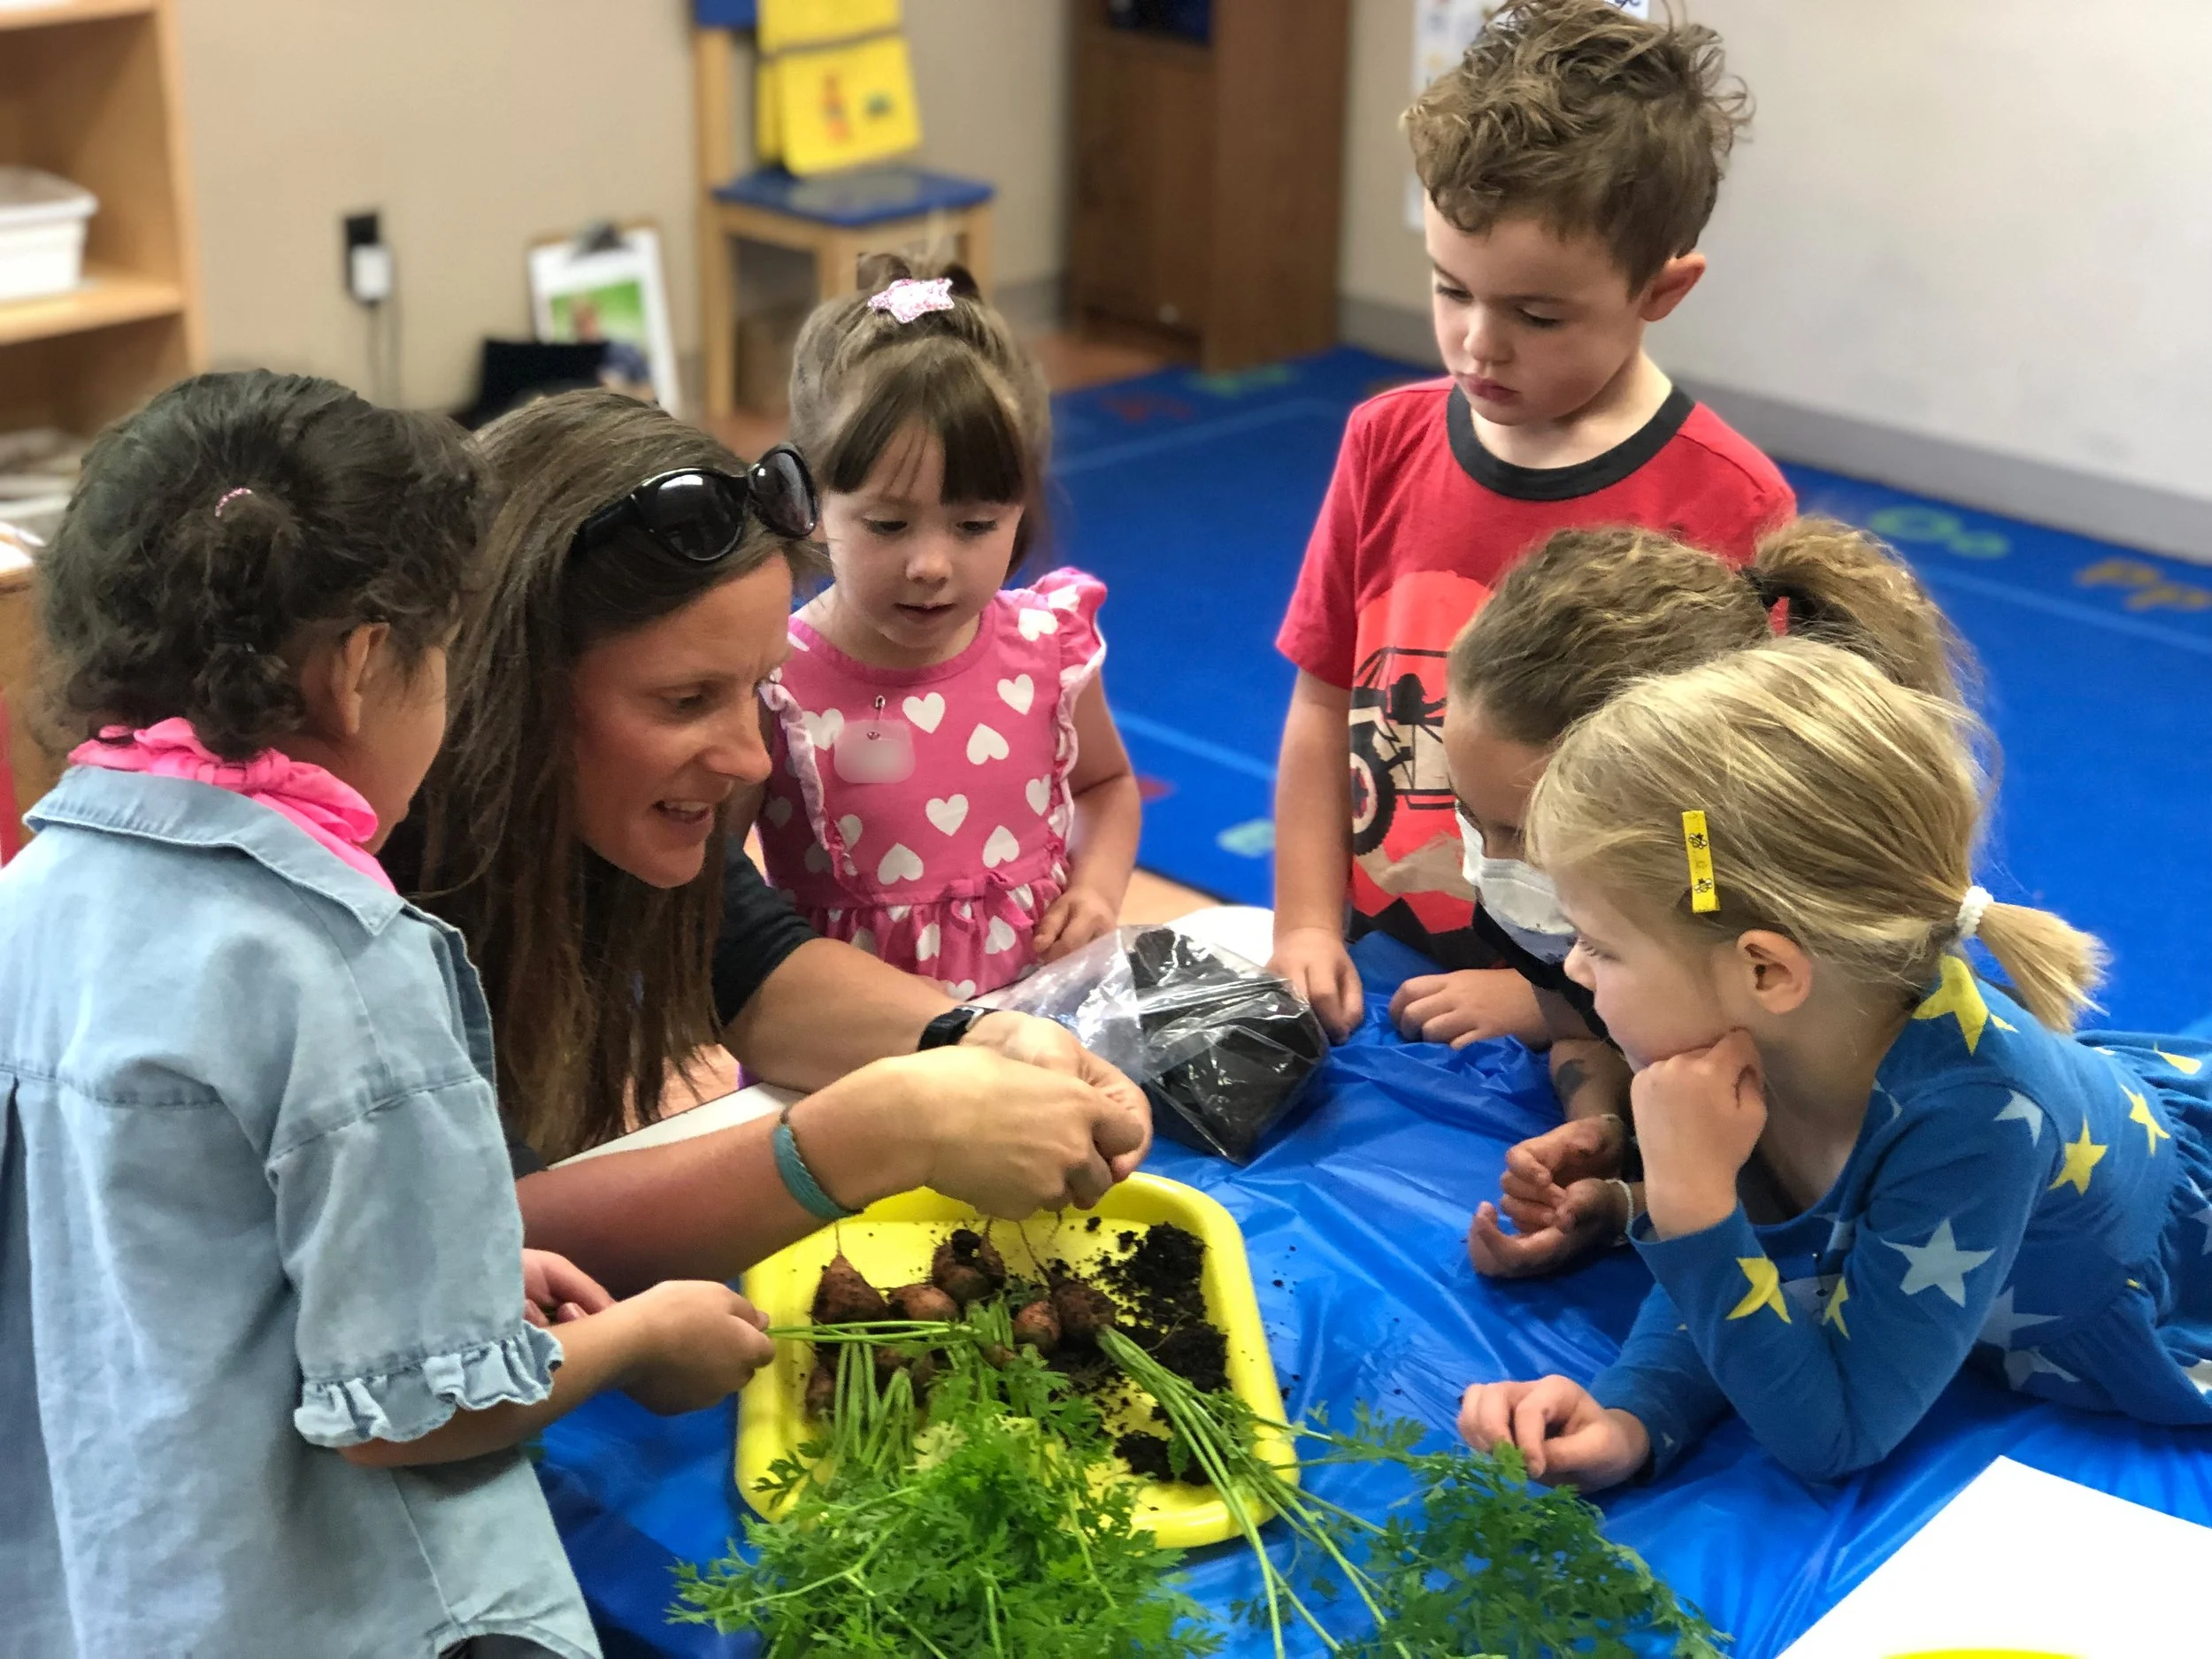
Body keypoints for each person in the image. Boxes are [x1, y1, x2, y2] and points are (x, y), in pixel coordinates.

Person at [2, 372, 772, 1659]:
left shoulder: (27, 896)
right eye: (443, 660)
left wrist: (448, 1255)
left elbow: (142, 1240)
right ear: (366, 668)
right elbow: (406, 1415)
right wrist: (647, 1333)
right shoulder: (343, 965)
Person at [399, 389, 1150, 1297]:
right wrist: (874, 1134)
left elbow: (753, 961)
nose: (748, 756)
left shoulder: (590, 809)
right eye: (685, 701)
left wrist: (978, 1037)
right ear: (512, 687)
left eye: (756, 688)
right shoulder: (380, 897)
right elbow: (477, 1239)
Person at [1458, 639, 2212, 1491]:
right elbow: (1781, 1242)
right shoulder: (1777, 1028)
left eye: (1601, 944)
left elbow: (1837, 1431)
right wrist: (1634, 1412)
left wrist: (1687, 1203)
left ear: (1765, 969)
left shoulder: (1975, 1125)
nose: (1575, 972)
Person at [1268, 0, 1793, 1045]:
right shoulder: (1386, 440)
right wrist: (1304, 924)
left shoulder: (1727, 504)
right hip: (1379, 956)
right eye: (1449, 290)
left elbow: (1721, 834)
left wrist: (1564, 1003)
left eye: (1537, 315)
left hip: (1610, 1009)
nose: (1476, 347)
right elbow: (1323, 707)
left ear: (1663, 289)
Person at [1430, 518, 1963, 1276]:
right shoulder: (1649, 915)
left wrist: (1677, 1205)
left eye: (1524, 831)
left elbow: (1823, 1292)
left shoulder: (1847, 1029)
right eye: (1470, 813)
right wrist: (1608, 1146)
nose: (1491, 862)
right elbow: (1593, 1024)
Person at [749, 257, 1141, 997]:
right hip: (853, 1058)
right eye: (889, 523)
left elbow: (1108, 783)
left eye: (974, 524)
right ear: (810, 499)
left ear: (1020, 508)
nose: (930, 563)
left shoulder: (1047, 650)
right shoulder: (776, 679)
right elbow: (720, 891)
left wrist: (1096, 892)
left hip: (1033, 1028)